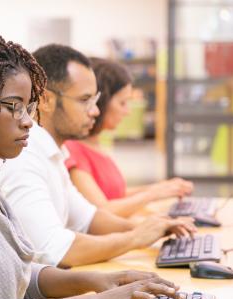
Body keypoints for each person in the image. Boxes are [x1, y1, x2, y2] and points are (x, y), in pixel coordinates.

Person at [0, 23, 186, 299]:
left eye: (27, 107)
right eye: (13, 107)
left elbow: (18, 275)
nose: (28, 121)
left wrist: (100, 281)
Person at [0, 44, 196, 268]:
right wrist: (135, 238)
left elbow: (88, 218)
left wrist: (153, 226)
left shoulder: (53, 153)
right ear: (46, 100)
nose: (95, 111)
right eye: (84, 100)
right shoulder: (25, 158)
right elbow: (54, 250)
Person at [64, 58, 194, 218]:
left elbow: (115, 195)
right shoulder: (73, 150)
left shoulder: (95, 144)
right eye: (122, 103)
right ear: (101, 102)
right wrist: (153, 194)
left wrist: (161, 189)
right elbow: (102, 211)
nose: (128, 111)